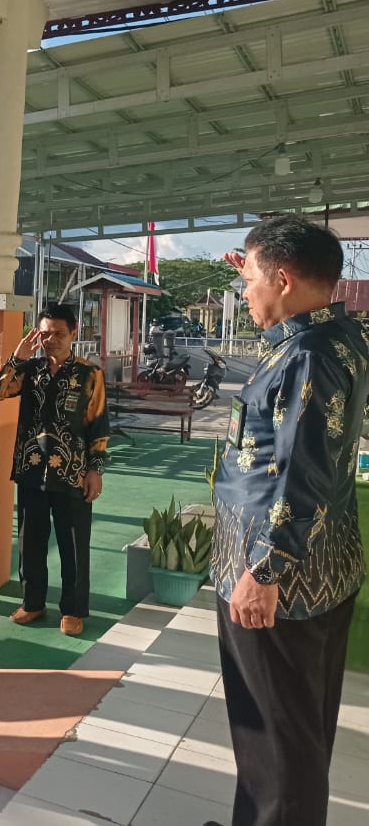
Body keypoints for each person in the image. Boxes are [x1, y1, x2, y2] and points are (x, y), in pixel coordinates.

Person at [209, 216, 367, 826]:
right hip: (317, 569)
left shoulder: (306, 355)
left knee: (277, 745)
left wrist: (265, 571)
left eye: (249, 278)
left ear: (283, 278)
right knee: (294, 731)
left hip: (278, 579)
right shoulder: (338, 336)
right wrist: (254, 264)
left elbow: (302, 474)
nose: (243, 289)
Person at [0, 303, 107, 637]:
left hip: (72, 472)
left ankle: (72, 610)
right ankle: (33, 602)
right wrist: (18, 357)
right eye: (44, 334)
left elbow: (99, 423)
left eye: (58, 334)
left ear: (74, 333)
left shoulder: (89, 374)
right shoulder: (30, 369)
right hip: (31, 468)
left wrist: (95, 469)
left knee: (73, 544)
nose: (51, 340)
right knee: (31, 542)